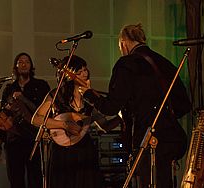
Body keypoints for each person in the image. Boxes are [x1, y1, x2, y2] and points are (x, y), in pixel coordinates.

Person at [80, 23, 191, 188]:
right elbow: (184, 105)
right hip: (172, 136)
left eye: (120, 46)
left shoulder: (126, 64)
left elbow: (110, 107)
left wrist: (88, 94)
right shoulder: (163, 62)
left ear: (124, 43)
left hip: (147, 137)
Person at [31, 55, 122, 188]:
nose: (85, 73)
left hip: (84, 151)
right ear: (70, 74)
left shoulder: (91, 97)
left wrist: (121, 117)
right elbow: (36, 119)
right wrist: (64, 124)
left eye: (86, 70)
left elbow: (105, 126)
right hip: (62, 151)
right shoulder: (57, 95)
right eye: (80, 71)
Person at [0, 52, 51, 188]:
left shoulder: (41, 85)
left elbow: (46, 112)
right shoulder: (9, 88)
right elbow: (3, 118)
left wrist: (23, 99)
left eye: (27, 62)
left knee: (35, 179)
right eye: (20, 62)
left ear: (31, 66)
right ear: (16, 66)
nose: (24, 64)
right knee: (15, 180)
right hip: (13, 141)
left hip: (34, 140)